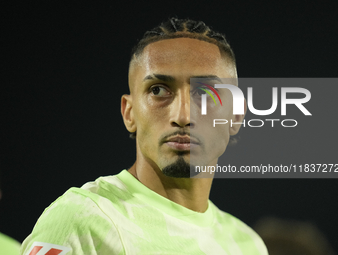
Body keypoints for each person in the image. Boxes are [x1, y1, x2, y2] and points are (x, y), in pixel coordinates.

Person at [21, 18, 268, 254]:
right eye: (158, 90)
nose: (183, 116)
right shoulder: (82, 220)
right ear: (129, 113)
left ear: (236, 117)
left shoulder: (248, 245)